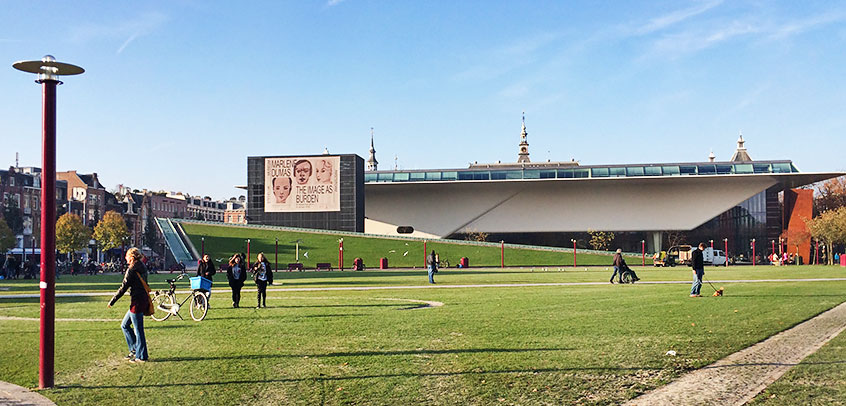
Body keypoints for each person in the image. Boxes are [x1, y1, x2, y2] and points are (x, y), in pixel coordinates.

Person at [107, 247, 150, 363]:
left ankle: (141, 356)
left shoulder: (131, 269)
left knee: (138, 329)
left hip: (137, 301)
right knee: (125, 325)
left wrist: (112, 300)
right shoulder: (142, 266)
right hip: (142, 299)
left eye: (126, 256)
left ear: (131, 257)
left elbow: (123, 287)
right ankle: (135, 349)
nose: (125, 258)